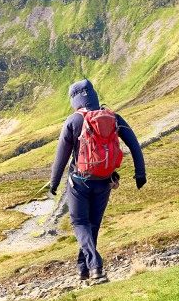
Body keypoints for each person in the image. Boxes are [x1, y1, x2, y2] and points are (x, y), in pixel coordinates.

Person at [47, 78, 146, 284]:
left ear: (75, 101)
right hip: (105, 181)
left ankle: (95, 266)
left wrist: (54, 183)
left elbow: (61, 156)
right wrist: (140, 173)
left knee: (79, 222)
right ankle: (84, 270)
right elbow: (134, 144)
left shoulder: (73, 121)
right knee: (92, 226)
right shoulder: (113, 117)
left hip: (79, 182)